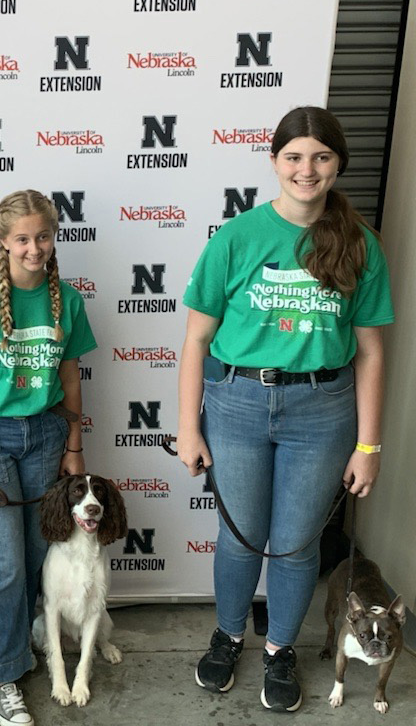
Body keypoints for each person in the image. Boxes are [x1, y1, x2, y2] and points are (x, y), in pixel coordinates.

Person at [177, 106, 393, 712]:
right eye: (294, 157)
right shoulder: (237, 237)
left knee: (298, 545)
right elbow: (196, 339)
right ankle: (227, 636)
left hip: (323, 411)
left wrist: (369, 445)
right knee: (241, 537)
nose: (307, 169)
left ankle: (279, 648)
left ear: (338, 164)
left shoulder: (361, 244)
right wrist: (187, 426)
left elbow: (372, 354)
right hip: (238, 403)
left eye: (321, 157)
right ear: (274, 162)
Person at [0, 190, 96, 726]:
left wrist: (75, 447)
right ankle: (3, 675)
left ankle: (26, 644)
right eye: (23, 239)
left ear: (55, 237)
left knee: (35, 552)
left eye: (44, 237)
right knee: (4, 564)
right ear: (3, 241)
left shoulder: (67, 300)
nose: (35, 248)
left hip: (48, 435)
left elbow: (71, 377)